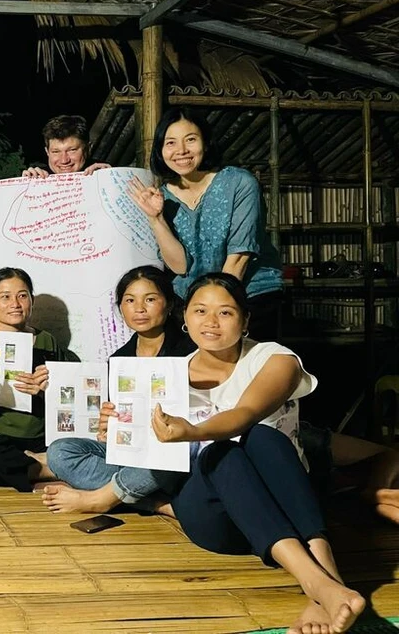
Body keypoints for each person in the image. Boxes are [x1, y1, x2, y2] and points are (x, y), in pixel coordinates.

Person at [151, 273, 364, 634]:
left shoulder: (276, 359)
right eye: (200, 310)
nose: (211, 322)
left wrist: (194, 429)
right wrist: (121, 427)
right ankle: (318, 584)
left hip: (283, 512)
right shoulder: (165, 374)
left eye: (225, 312)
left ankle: (323, 583)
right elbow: (154, 459)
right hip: (214, 515)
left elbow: (244, 415)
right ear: (184, 317)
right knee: (221, 455)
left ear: (246, 320)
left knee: (261, 436)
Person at [41, 265, 195, 515]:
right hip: (134, 455)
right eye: (130, 300)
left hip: (174, 451)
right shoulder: (118, 360)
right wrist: (108, 427)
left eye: (151, 299)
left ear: (168, 305)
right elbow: (121, 425)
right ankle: (154, 502)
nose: (140, 308)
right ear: (121, 308)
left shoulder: (190, 352)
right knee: (59, 452)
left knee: (171, 453)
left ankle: (104, 498)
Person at [127, 107, 283, 339]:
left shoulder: (239, 183)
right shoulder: (161, 197)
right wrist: (156, 218)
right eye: (170, 143)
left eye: (190, 140)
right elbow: (180, 267)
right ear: (161, 150)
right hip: (191, 303)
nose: (181, 151)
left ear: (206, 144)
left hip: (248, 295)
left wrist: (212, 311)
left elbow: (239, 257)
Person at [0, 268, 61, 492]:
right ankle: (49, 469)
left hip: (41, 435)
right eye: (5, 297)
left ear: (31, 300)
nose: (15, 303)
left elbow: (66, 402)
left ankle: (38, 464)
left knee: (78, 446)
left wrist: (46, 389)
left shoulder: (47, 342)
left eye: (22, 295)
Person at [21, 114, 110, 178]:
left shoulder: (104, 173)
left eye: (72, 150)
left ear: (88, 149)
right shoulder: (37, 178)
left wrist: (113, 179)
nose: (64, 160)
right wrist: (25, 186)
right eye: (56, 152)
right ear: (47, 152)